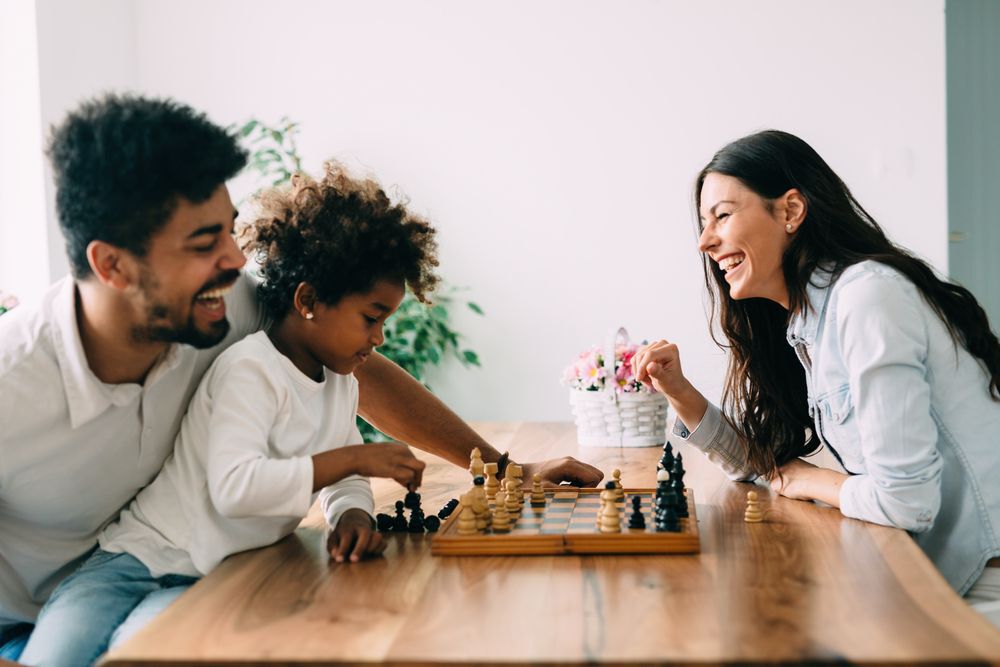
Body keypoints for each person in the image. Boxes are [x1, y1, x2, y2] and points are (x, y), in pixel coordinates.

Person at [0, 94, 603, 660]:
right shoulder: (12, 379)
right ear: (113, 265)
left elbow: (356, 377)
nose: (237, 260)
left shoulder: (224, 303)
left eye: (231, 230)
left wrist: (504, 470)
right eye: (206, 242)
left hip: (183, 575)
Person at [19, 162, 438, 665]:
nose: (379, 338)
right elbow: (236, 487)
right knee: (54, 658)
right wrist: (355, 459)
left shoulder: (339, 382)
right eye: (371, 318)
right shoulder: (250, 369)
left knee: (144, 652)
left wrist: (351, 511)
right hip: (134, 560)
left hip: (209, 574)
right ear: (308, 300)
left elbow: (339, 466)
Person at [631, 130, 1000, 623]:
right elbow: (771, 467)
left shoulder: (867, 298)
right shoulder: (808, 321)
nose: (704, 241)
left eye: (722, 215)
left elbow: (904, 500)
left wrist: (815, 481)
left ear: (790, 211)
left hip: (981, 586)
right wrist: (679, 392)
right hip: (926, 576)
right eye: (703, 222)